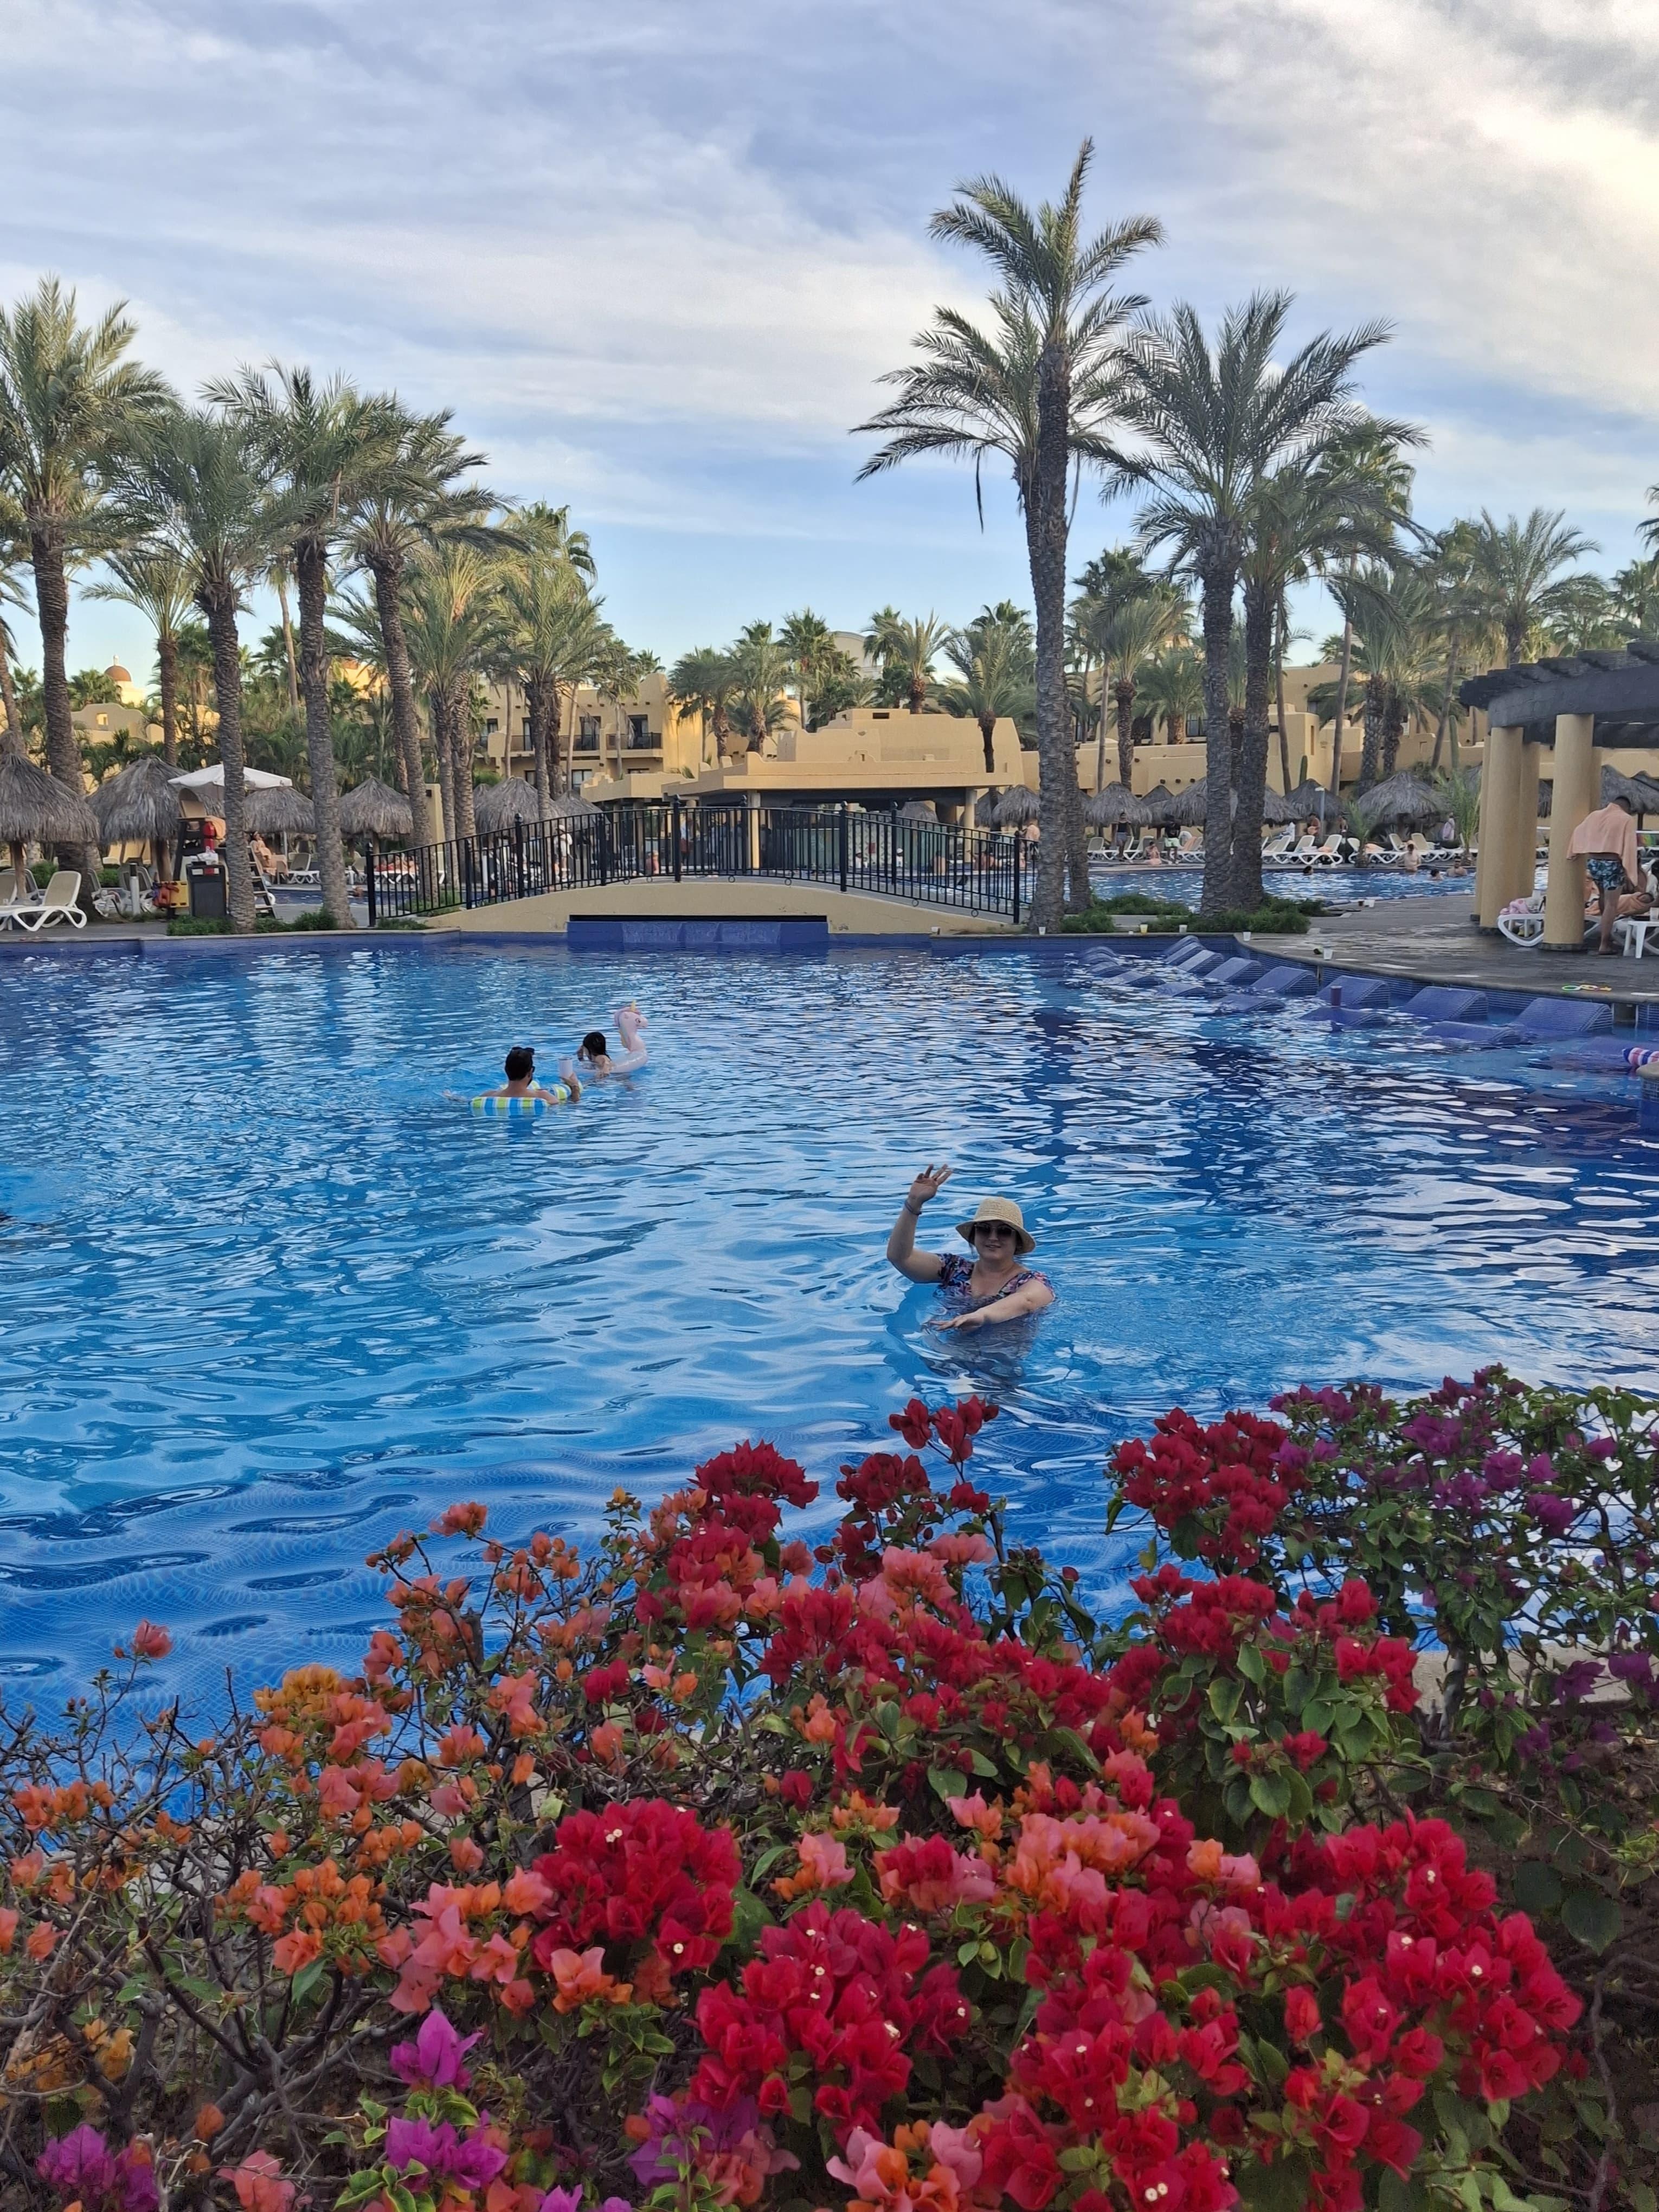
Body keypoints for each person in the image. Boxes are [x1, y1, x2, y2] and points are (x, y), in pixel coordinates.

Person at [886, 1163, 1055, 1332]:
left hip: (1002, 1347)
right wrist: (914, 1203)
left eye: (1004, 1231)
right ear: (974, 1236)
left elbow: (1027, 1302)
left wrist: (982, 1316)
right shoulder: (954, 1269)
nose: (993, 1237)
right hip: (949, 1342)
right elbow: (901, 1258)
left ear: (1017, 1241)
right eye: (984, 1229)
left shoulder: (1033, 1280)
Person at [1567, 800, 1640, 955]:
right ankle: (1604, 944)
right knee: (1612, 905)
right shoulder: (1626, 819)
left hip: (1594, 863)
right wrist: (1630, 871)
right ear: (1627, 808)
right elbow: (1630, 846)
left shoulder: (1594, 816)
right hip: (1612, 864)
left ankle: (1605, 936)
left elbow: (1579, 831)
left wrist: (1574, 851)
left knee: (1603, 898)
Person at [480, 1046, 580, 1105]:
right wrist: (575, 1087)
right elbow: (573, 1106)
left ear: (506, 1070)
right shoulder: (544, 1097)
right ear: (530, 1072)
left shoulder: (488, 1096)